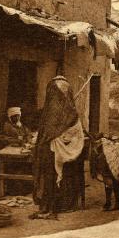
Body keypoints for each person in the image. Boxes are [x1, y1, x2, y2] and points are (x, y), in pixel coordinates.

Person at [32, 75, 85, 220]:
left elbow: (74, 133)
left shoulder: (69, 114)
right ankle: (49, 205)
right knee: (48, 171)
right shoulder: (55, 112)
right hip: (53, 150)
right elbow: (46, 131)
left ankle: (55, 205)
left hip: (62, 152)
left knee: (53, 173)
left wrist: (57, 140)